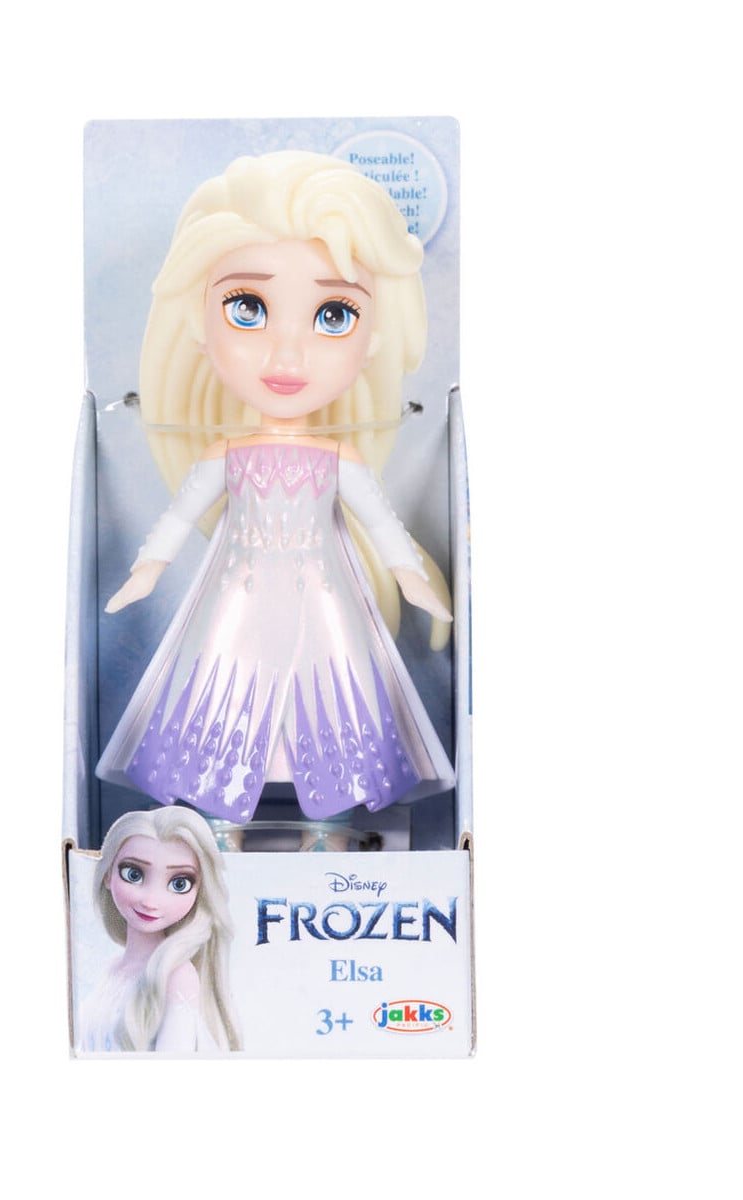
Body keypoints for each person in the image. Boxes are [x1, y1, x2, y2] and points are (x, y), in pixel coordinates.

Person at [96, 151, 455, 824]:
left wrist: (412, 579)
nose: (287, 354)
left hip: (324, 599)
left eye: (334, 314)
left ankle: (327, 816)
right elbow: (178, 518)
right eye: (248, 307)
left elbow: (383, 526)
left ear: (374, 336)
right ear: (199, 321)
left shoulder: (338, 457)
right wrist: (146, 570)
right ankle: (225, 812)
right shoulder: (227, 456)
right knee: (233, 684)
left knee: (326, 692)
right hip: (239, 599)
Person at [81, 806, 241, 1053]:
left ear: (201, 890)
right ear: (107, 875)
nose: (151, 901)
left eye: (179, 883)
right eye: (133, 874)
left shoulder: (176, 975)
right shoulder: (110, 969)